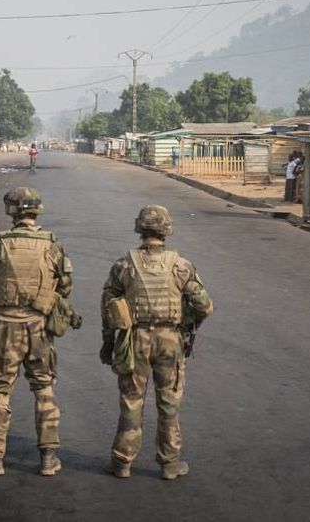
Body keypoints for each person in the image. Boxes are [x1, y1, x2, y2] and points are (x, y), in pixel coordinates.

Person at [99, 205, 214, 480]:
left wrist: (108, 344)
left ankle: (122, 463)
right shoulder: (181, 265)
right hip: (169, 341)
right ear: (166, 230)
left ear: (140, 229)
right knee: (169, 403)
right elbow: (205, 306)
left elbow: (108, 307)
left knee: (131, 401)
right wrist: (188, 326)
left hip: (134, 340)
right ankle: (170, 465)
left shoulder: (124, 265)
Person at [0, 187, 73, 477]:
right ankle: (49, 459)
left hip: (4, 330)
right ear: (37, 210)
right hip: (38, 328)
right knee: (44, 388)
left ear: (11, 211)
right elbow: (65, 287)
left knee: (0, 391)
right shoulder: (52, 246)